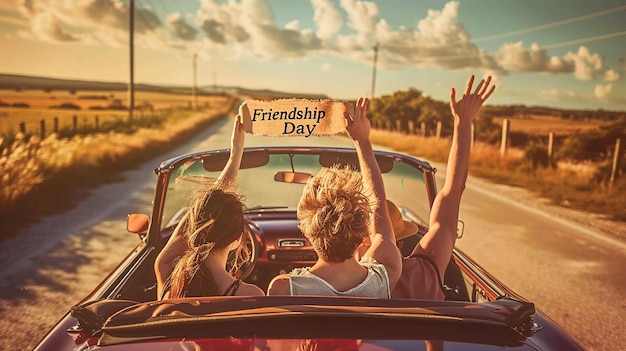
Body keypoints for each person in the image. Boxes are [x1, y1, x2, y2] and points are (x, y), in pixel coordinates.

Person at [266, 97, 403, 297]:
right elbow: (379, 205)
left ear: (307, 231)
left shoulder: (284, 288)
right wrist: (362, 141)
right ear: (364, 234)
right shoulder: (385, 275)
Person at [391, 74, 496, 300]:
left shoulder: (313, 288)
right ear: (400, 242)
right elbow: (454, 189)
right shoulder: (422, 274)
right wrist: (463, 122)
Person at [154, 115, 264, 299]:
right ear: (238, 238)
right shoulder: (250, 296)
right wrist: (237, 153)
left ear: (193, 229)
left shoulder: (167, 276)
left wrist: (234, 154)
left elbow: (201, 212)